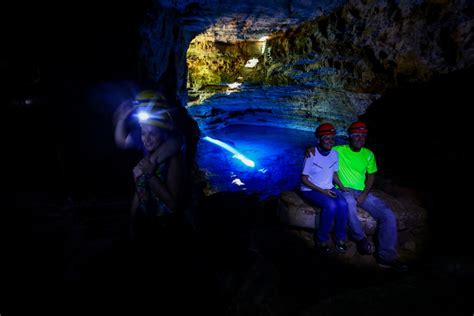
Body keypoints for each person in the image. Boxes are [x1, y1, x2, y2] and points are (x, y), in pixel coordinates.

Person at [307, 121, 407, 271]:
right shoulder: (338, 150)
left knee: (388, 215)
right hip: (342, 190)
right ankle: (360, 239)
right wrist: (309, 149)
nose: (360, 139)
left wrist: (364, 194)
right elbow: (321, 149)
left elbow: (371, 176)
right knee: (349, 205)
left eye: (363, 136)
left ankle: (386, 258)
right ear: (350, 137)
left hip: (362, 192)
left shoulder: (368, 154)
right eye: (357, 136)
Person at [113, 90, 186, 239]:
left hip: (167, 229)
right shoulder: (148, 154)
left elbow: (173, 205)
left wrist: (150, 175)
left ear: (163, 133)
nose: (146, 138)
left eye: (152, 133)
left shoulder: (173, 158)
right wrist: (131, 222)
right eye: (143, 133)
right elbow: (139, 191)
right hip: (147, 223)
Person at [300, 123, 349, 254]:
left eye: (332, 138)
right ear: (319, 139)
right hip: (310, 190)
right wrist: (323, 191)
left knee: (343, 204)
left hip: (328, 187)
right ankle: (321, 239)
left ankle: (340, 238)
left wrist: (342, 187)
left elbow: (333, 173)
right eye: (326, 138)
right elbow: (304, 179)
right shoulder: (311, 154)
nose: (330, 141)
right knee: (331, 205)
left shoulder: (334, 154)